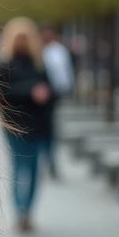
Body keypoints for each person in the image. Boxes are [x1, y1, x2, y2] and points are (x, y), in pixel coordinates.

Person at [0, 18, 53, 234]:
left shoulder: (39, 64)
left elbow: (51, 92)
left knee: (35, 169)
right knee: (19, 167)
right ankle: (20, 211)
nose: (22, 42)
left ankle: (27, 210)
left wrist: (45, 94)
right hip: (14, 125)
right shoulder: (3, 65)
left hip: (37, 124)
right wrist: (30, 91)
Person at [39, 26, 74, 180]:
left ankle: (50, 163)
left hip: (50, 96)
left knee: (49, 131)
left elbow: (62, 75)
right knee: (45, 131)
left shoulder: (56, 51)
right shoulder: (42, 51)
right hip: (42, 96)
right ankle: (46, 163)